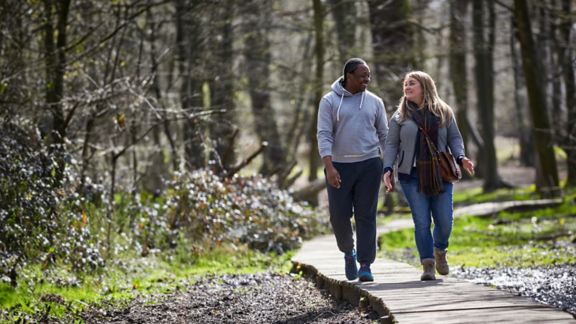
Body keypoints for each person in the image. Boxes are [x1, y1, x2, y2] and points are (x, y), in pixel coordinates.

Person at [382, 71, 475, 281]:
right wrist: (387, 168)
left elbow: (455, 138)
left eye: (411, 83)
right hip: (410, 175)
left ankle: (440, 250)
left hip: (440, 173)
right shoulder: (399, 117)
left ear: (424, 86)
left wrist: (461, 157)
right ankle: (428, 264)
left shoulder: (444, 112)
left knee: (444, 222)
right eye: (405, 84)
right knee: (422, 222)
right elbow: (391, 145)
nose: (406, 87)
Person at [317, 58, 388, 282]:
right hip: (338, 166)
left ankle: (365, 264)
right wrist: (329, 166)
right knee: (339, 216)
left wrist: (389, 167)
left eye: (368, 75)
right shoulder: (329, 101)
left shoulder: (375, 102)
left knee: (366, 215)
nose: (366, 79)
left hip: (369, 164)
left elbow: (384, 135)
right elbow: (324, 134)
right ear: (348, 76)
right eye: (362, 76)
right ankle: (349, 252)